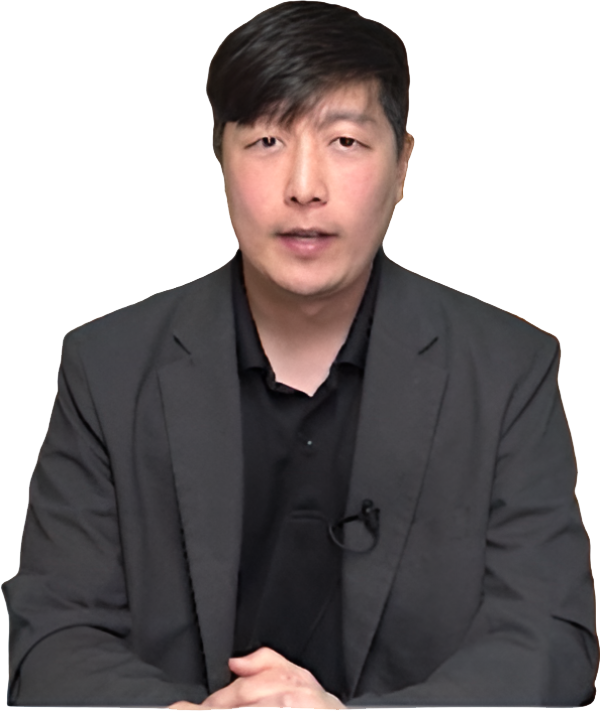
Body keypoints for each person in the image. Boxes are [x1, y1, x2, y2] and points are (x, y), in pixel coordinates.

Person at [2, 1, 598, 707]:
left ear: (402, 165)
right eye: (266, 140)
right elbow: (54, 634)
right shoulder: (107, 367)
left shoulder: (506, 371)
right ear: (220, 157)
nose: (304, 187)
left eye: (345, 141)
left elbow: (550, 637)